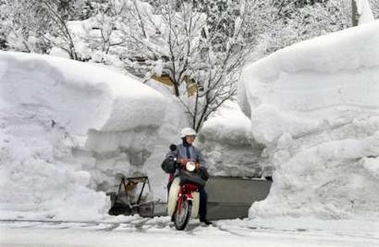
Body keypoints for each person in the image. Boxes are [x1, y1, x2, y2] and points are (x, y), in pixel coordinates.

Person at [166, 127, 212, 225]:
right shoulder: (177, 148)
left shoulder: (196, 150)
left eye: (193, 137)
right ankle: (173, 211)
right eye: (189, 137)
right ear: (183, 138)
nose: (192, 138)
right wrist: (177, 160)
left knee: (203, 195)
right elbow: (169, 156)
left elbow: (203, 162)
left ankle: (203, 217)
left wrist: (199, 165)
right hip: (179, 175)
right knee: (171, 188)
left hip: (193, 176)